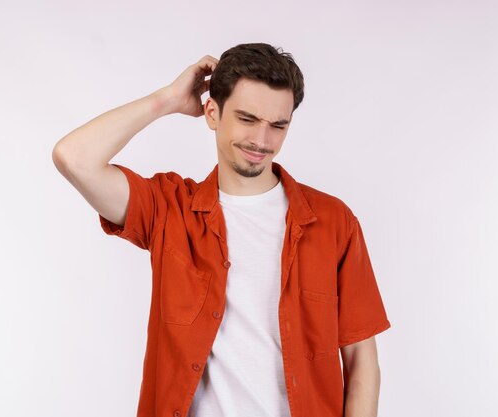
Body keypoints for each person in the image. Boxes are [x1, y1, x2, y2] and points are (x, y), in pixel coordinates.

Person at [52, 43, 390, 417]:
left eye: (278, 126)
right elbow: (74, 157)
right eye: (247, 119)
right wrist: (167, 99)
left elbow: (361, 359)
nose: (262, 141)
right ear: (212, 112)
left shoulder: (332, 221)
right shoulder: (169, 210)